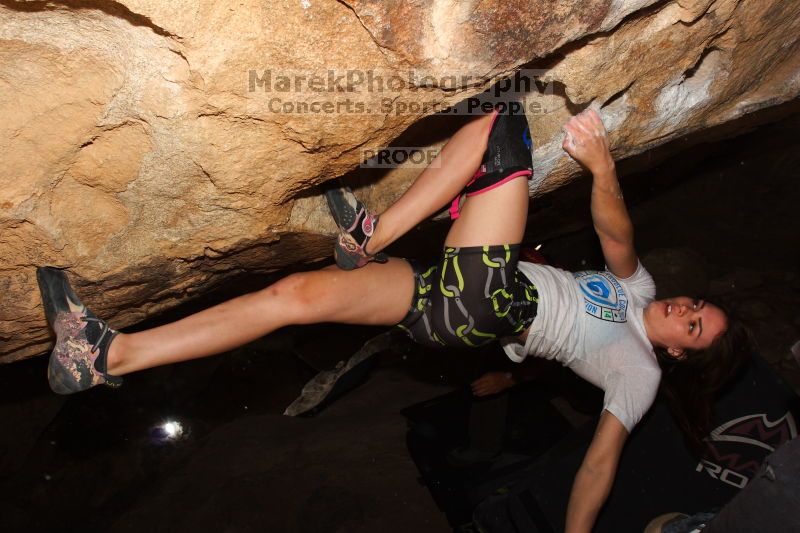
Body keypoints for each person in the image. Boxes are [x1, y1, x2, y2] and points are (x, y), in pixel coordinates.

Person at [37, 105, 750, 532]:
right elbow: (618, 238)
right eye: (697, 305)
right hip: (444, 303)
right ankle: (105, 355)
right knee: (294, 298)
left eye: (693, 325)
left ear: (681, 355)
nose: (685, 309)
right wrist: (601, 169)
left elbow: (600, 462)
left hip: (491, 304)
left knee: (501, 129)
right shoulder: (640, 288)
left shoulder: (640, 372)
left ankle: (369, 237)